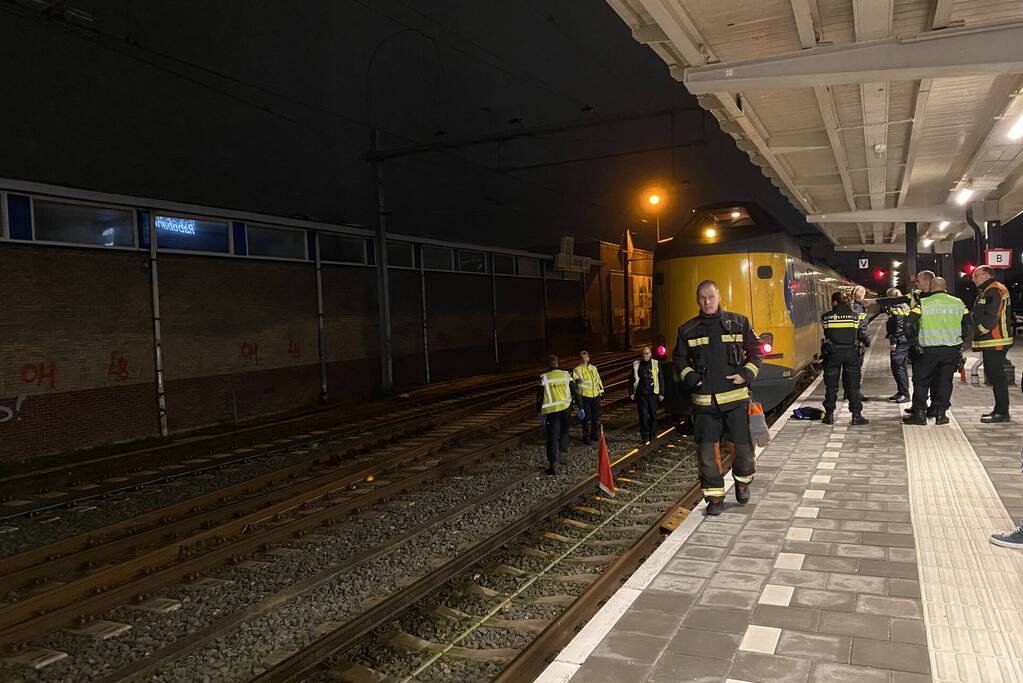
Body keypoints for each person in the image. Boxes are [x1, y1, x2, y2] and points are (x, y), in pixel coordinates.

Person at [673, 280, 763, 515]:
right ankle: (714, 499)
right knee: (706, 454)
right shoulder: (687, 330)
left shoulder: (738, 322)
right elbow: (679, 360)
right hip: (705, 404)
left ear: (719, 296)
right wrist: (691, 378)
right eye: (702, 298)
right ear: (697, 300)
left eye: (711, 297)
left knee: (743, 450)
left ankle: (742, 483)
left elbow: (756, 352)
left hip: (735, 401)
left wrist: (745, 375)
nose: (707, 302)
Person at [903, 278, 970, 426]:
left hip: (928, 350)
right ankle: (941, 414)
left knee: (921, 381)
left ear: (931, 287)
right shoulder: (959, 303)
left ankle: (919, 415)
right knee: (945, 382)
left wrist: (914, 342)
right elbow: (967, 325)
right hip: (951, 349)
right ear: (945, 287)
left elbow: (908, 324)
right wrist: (959, 340)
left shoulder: (923, 303)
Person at [971, 265, 1014, 423]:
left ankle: (1002, 412)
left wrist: (979, 331)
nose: (973, 278)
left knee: (997, 377)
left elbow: (991, 315)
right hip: (994, 340)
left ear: (987, 275)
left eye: (976, 275)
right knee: (996, 376)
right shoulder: (990, 289)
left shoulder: (994, 290)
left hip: (995, 339)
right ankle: (1000, 410)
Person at [821, 291, 870, 426]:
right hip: (851, 354)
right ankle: (856, 416)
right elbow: (857, 332)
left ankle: (829, 416)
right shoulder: (854, 317)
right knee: (853, 386)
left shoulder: (826, 317)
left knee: (831, 386)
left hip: (832, 354)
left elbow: (827, 332)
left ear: (834, 302)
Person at [536, 355, 577, 475]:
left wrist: (539, 413)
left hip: (552, 412)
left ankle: (552, 464)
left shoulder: (545, 378)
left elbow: (539, 398)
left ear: (548, 365)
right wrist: (580, 406)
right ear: (557, 363)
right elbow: (574, 391)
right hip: (566, 409)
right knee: (564, 432)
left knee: (552, 437)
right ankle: (563, 454)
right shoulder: (566, 375)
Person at [629, 345, 663, 444]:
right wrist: (631, 392)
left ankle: (652, 435)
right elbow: (631, 379)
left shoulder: (656, 364)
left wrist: (661, 393)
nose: (645, 355)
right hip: (641, 394)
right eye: (643, 353)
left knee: (653, 415)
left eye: (647, 353)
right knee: (643, 416)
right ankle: (644, 436)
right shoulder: (636, 364)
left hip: (652, 394)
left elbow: (661, 379)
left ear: (651, 354)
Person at [885, 287, 911, 402]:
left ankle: (905, 393)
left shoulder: (899, 307)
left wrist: (895, 339)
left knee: (898, 366)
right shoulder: (902, 305)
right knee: (897, 366)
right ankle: (901, 391)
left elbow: (899, 325)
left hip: (900, 340)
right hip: (901, 339)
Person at [572, 350, 604, 443]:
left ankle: (594, 435)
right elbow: (573, 382)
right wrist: (577, 380)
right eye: (582, 357)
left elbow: (598, 380)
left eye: (586, 357)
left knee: (595, 417)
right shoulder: (577, 369)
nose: (584, 359)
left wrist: (602, 391)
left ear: (589, 358)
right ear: (580, 359)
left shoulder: (593, 368)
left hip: (595, 395)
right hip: (584, 396)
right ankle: (586, 437)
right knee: (586, 418)